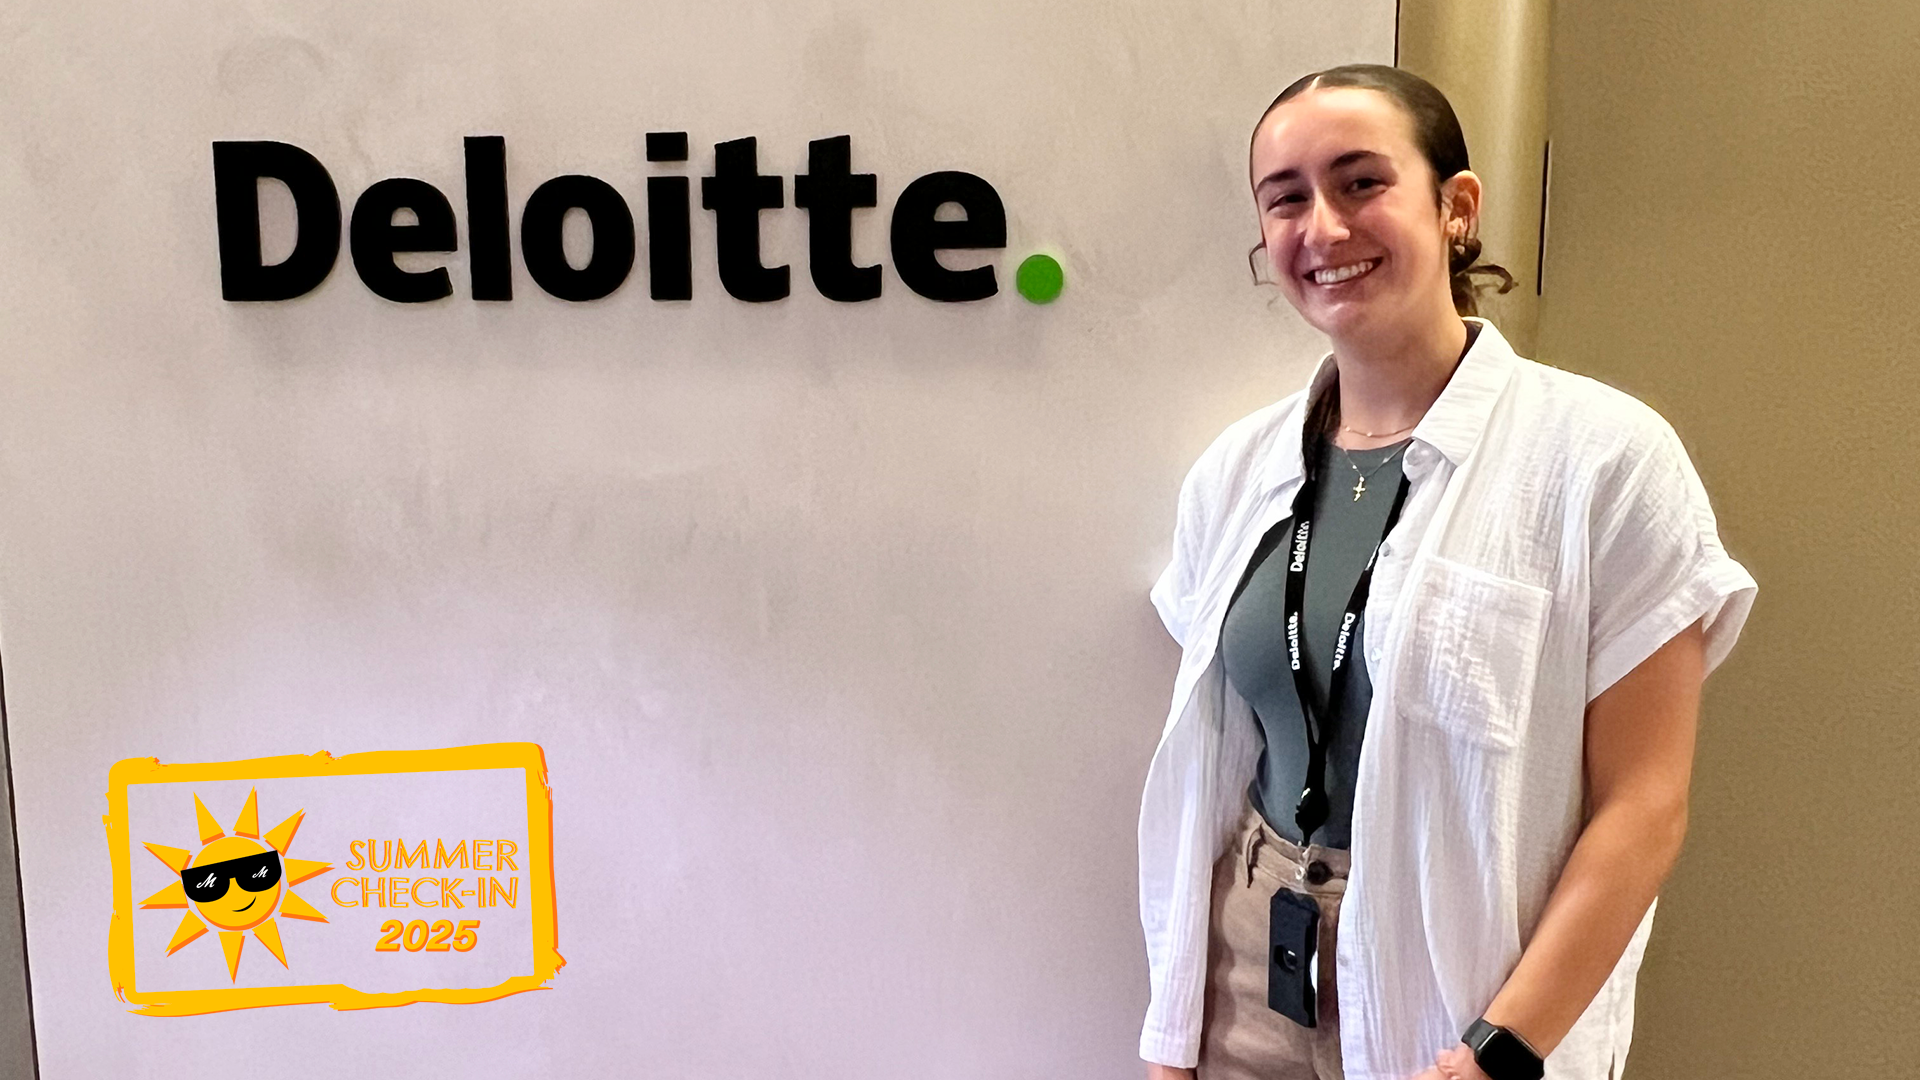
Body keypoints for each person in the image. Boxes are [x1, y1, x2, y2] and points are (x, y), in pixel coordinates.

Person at [1137, 64, 1757, 1080]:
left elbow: (1644, 804)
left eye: (1360, 183)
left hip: (1460, 1002)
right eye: (1286, 198)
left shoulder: (1603, 460)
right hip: (1247, 973)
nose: (1323, 229)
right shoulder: (1237, 473)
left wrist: (1498, 1052)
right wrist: (1176, 1029)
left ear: (1456, 208)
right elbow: (1213, 759)